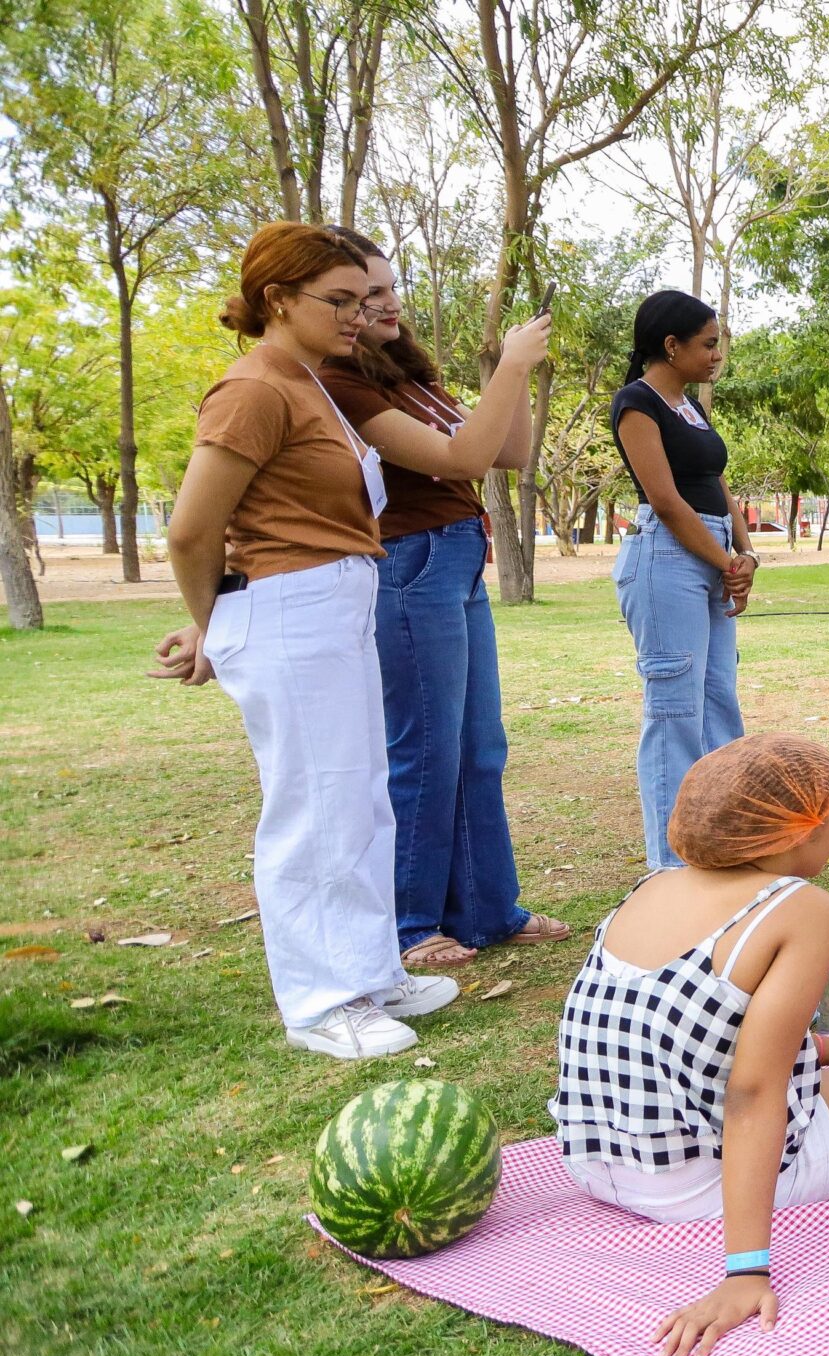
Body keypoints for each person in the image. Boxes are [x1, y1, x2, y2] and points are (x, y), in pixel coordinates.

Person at [552, 734, 829, 1356]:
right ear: (800, 832)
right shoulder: (803, 908)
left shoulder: (652, 886)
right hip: (697, 1185)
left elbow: (683, 1030)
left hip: (598, 1161)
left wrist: (821, 1049)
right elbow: (751, 1091)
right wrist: (745, 1270)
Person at [149, 222, 457, 1059]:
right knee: (313, 809)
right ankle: (322, 1003)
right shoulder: (252, 390)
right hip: (291, 614)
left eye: (366, 299)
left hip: (333, 603)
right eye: (341, 300)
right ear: (278, 300)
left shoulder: (311, 382)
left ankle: (367, 970)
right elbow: (191, 533)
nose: (361, 315)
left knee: (359, 799)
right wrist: (219, 626)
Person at [316, 228, 569, 969]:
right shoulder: (342, 382)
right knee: (425, 748)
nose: (383, 304)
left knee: (479, 748)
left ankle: (490, 910)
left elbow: (509, 453)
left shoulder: (406, 375)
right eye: (361, 295)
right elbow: (459, 457)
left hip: (458, 557)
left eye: (387, 288)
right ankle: (409, 926)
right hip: (410, 562)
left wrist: (511, 373)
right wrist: (511, 365)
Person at [612, 290, 757, 870]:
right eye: (708, 343)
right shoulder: (636, 404)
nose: (717, 354)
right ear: (671, 346)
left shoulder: (689, 406)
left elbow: (714, 479)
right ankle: (671, 866)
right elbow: (667, 501)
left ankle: (725, 843)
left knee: (719, 704)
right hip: (667, 560)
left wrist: (745, 552)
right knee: (674, 713)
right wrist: (725, 564)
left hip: (714, 552)